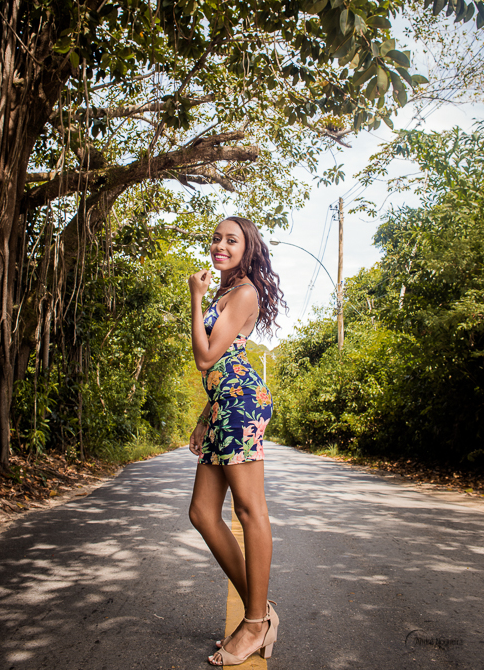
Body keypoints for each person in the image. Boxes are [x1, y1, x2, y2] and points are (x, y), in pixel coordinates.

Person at [187, 216, 286, 667]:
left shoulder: (243, 292)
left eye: (232, 240)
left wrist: (195, 298)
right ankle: (259, 612)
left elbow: (207, 358)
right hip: (225, 404)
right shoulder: (228, 292)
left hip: (243, 402)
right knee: (202, 513)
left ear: (248, 250)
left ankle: (254, 623)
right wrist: (206, 416)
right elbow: (224, 360)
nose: (220, 246)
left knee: (249, 510)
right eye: (217, 238)